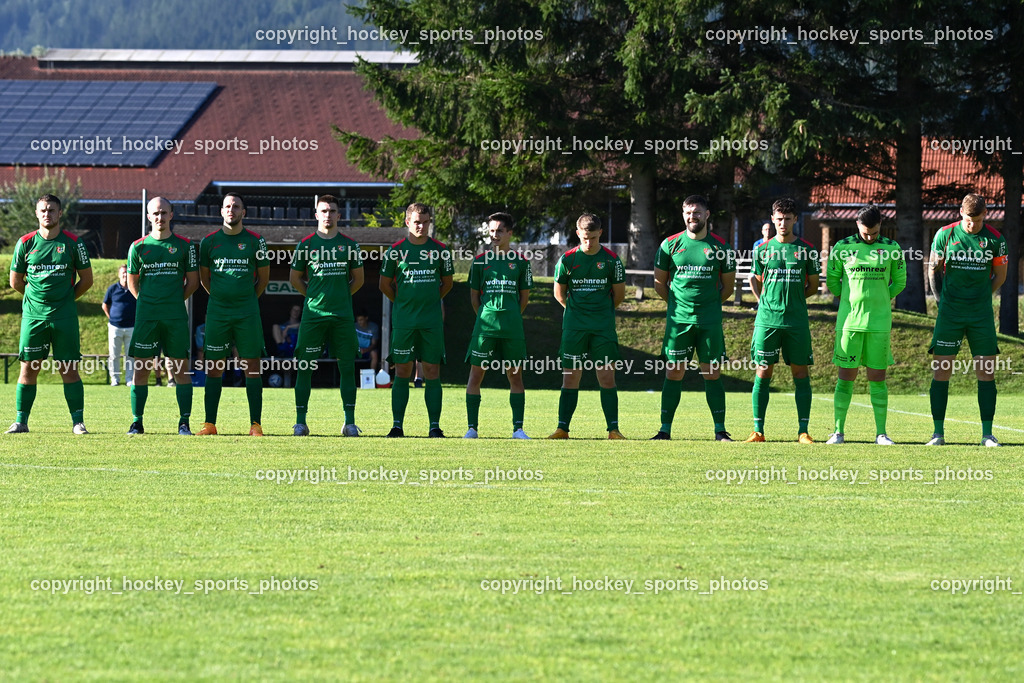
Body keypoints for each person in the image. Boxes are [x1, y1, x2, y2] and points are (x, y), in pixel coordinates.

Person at [650, 195, 736, 441]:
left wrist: (707, 306)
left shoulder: (721, 248)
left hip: (709, 322)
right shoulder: (670, 245)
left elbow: (727, 288)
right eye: (688, 212)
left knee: (712, 373)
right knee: (673, 373)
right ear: (683, 214)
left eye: (697, 212)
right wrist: (677, 305)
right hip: (679, 323)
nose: (692, 217)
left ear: (707, 214)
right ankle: (664, 430)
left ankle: (720, 430)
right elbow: (659, 282)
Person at [6, 194, 93, 435]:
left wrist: (65, 300)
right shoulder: (25, 243)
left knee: (69, 368)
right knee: (28, 368)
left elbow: (86, 280)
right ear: (37, 214)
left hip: (64, 317)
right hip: (34, 317)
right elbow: (15, 281)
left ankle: (78, 422)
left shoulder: (74, 243)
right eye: (43, 210)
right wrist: (36, 300)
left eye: (52, 210)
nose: (47, 214)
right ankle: (21, 422)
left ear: (60, 213)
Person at [926, 193, 1007, 447]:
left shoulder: (995, 239)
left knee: (986, 373)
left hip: (981, 315)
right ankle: (937, 434)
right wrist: (942, 302)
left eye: (977, 218)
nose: (971, 224)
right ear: (961, 212)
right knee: (941, 372)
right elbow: (933, 270)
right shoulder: (945, 235)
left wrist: (981, 297)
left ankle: (987, 435)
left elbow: (1000, 276)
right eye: (968, 219)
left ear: (985, 214)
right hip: (950, 314)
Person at [825, 205, 906, 445]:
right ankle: (838, 432)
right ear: (857, 226)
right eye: (864, 232)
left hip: (879, 324)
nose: (869, 237)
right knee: (845, 377)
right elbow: (833, 281)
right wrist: (852, 300)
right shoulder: (842, 247)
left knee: (877, 378)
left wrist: (880, 298)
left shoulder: (892, 248)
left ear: (881, 225)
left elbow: (899, 282)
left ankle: (881, 433)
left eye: (873, 232)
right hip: (849, 323)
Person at [289, 194, 365, 436]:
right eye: (324, 210)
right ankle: (301, 422)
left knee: (347, 367)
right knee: (305, 366)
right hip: (313, 316)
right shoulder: (306, 244)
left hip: (342, 316)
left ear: (339, 215)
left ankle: (349, 422)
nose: (328, 214)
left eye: (333, 211)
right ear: (316, 215)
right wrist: (313, 295)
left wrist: (340, 296)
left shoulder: (350, 245)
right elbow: (294, 278)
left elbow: (359, 280)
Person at [744, 198, 819, 443]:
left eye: (787, 218)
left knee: (800, 372)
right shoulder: (762, 250)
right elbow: (758, 279)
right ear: (772, 219)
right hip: (767, 320)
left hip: (796, 321)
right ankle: (758, 431)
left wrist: (794, 300)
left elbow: (812, 287)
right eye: (779, 218)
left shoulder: (807, 250)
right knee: (763, 371)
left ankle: (803, 431)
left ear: (795, 219)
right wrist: (765, 301)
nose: (783, 223)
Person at [125, 197, 200, 435]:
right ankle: (137, 421)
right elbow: (132, 283)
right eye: (155, 213)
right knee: (142, 369)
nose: (160, 217)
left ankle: (184, 422)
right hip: (146, 317)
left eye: (164, 213)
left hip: (175, 317)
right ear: (148, 217)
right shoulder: (137, 247)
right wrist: (148, 302)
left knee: (180, 368)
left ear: (171, 215)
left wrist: (174, 300)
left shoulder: (185, 245)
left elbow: (194, 282)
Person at [197, 193, 270, 436]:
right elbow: (205, 279)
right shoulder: (208, 242)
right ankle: (210, 424)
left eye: (236, 206)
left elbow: (263, 279)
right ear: (221, 211)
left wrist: (245, 299)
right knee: (214, 367)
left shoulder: (256, 241)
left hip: (247, 312)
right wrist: (221, 296)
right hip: (217, 312)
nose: (231, 209)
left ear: (243, 212)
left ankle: (255, 424)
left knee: (252, 365)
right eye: (227, 206)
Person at [548, 213, 626, 439]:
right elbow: (559, 294)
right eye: (585, 238)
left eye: (593, 237)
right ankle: (562, 429)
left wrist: (599, 312)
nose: (589, 242)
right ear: (578, 234)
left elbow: (618, 296)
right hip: (574, 328)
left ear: (600, 233)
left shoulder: (612, 260)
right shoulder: (567, 259)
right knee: (570, 377)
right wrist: (576, 313)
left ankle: (613, 430)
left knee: (607, 377)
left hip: (603, 328)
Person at [379, 202, 454, 437]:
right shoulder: (395, 251)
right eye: (416, 222)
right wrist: (403, 304)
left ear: (430, 223)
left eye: (425, 222)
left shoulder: (441, 250)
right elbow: (384, 285)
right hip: (404, 322)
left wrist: (430, 301)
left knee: (432, 370)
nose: (421, 226)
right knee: (402, 370)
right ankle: (397, 425)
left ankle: (434, 427)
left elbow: (447, 283)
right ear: (407, 222)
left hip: (431, 323)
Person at [464, 212, 533, 439]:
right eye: (491, 231)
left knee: (515, 377)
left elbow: (524, 298)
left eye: (499, 231)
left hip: (512, 328)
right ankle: (472, 428)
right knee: (476, 376)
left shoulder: (521, 262)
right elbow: (474, 298)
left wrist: (510, 315)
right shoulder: (479, 262)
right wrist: (486, 317)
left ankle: (518, 429)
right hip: (484, 328)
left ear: (509, 233)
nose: (494, 235)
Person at [103, 264, 136, 387]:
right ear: (119, 274)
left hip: (131, 327)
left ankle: (129, 379)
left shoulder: (134, 288)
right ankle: (115, 379)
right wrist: (111, 318)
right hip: (115, 327)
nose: (125, 275)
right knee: (114, 355)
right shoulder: (112, 289)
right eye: (123, 273)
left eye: (127, 273)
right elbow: (105, 305)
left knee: (130, 356)